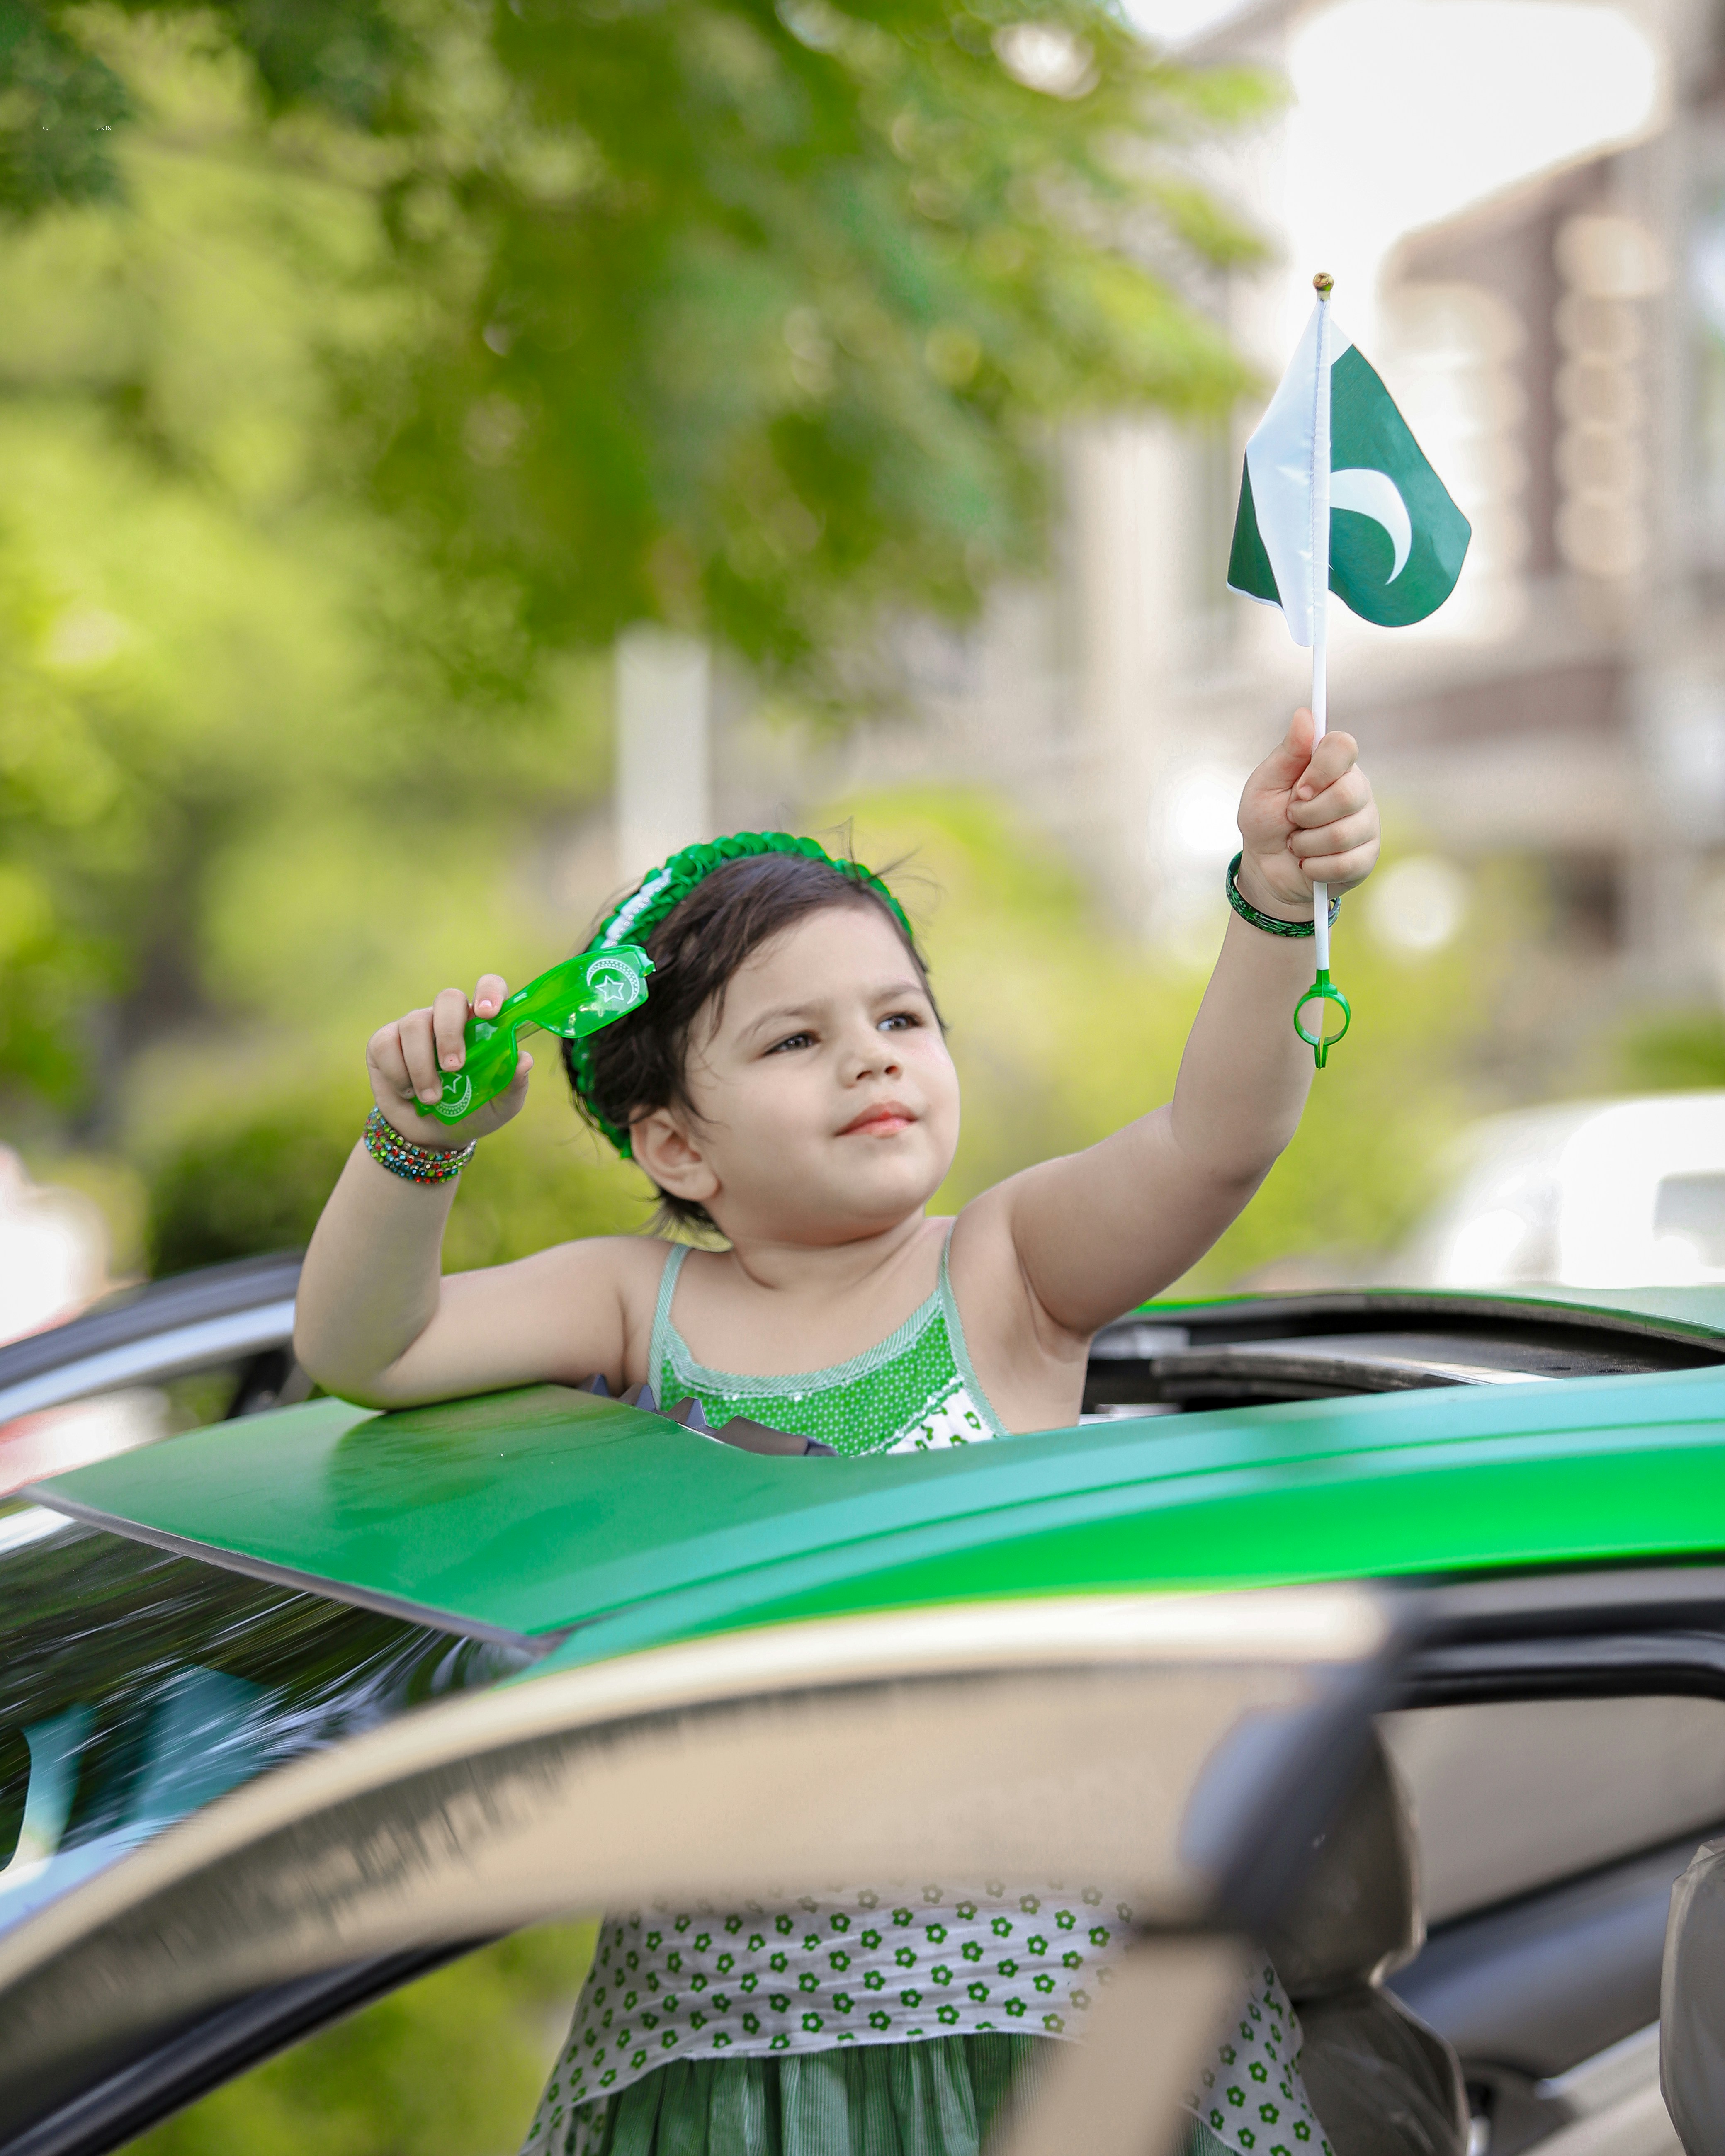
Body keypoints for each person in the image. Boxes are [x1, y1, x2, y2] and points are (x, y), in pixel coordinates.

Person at [294, 707, 1375, 2156]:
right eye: (798, 1038)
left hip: (1045, 2022)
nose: (872, 1060)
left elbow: (1216, 1137)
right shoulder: (637, 1302)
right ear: (677, 1144)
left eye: (901, 1018)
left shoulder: (1002, 1271)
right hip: (714, 2034)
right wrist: (418, 1140)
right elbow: (371, 1345)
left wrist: (1271, 902)